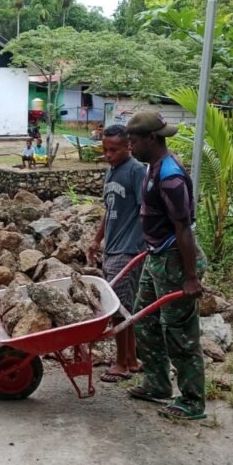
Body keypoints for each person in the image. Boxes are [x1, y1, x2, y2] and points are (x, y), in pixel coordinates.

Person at [124, 111, 208, 420]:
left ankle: (192, 400)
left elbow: (183, 228)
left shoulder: (170, 176)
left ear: (151, 139)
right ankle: (157, 384)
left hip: (175, 260)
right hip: (157, 256)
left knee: (180, 332)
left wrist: (190, 277)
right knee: (143, 320)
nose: (130, 147)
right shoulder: (152, 166)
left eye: (133, 142)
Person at [87, 124, 147, 382]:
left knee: (118, 309)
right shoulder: (111, 173)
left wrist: (145, 245)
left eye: (114, 150)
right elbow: (108, 210)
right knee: (123, 307)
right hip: (112, 249)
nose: (108, 154)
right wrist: (97, 239)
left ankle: (121, 362)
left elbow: (147, 211)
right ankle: (131, 359)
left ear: (128, 147)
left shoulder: (136, 171)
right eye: (105, 149)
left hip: (129, 249)